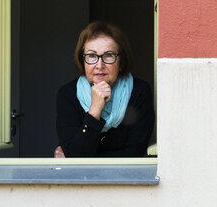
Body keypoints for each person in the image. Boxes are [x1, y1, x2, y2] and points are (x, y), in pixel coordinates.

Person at [54, 21, 154, 157]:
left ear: (121, 62)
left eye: (108, 55)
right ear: (82, 61)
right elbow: (76, 158)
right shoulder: (68, 95)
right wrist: (94, 111)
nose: (99, 65)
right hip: (81, 178)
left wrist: (81, 155)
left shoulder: (139, 92)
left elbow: (134, 154)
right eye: (91, 56)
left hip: (124, 177)